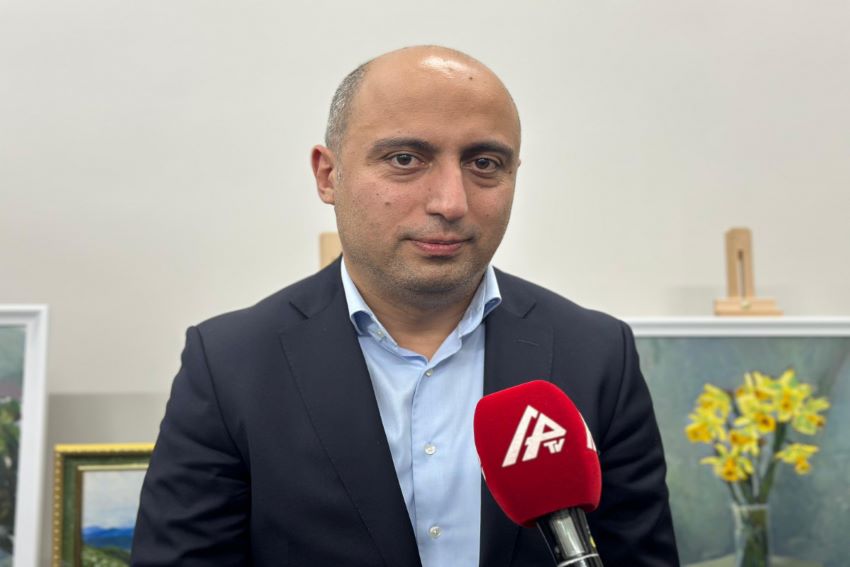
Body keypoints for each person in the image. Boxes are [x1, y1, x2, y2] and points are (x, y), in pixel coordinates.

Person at [132, 45, 679, 566]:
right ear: (328, 175)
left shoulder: (598, 355)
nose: (451, 202)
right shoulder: (229, 364)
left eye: (484, 162)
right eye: (405, 159)